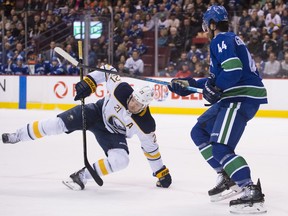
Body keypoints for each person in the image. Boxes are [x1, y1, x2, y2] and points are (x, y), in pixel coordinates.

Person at [2, 64, 172, 190]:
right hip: (95, 113)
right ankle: (18, 135)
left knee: (122, 160)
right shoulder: (121, 90)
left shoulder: (145, 124)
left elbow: (151, 149)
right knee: (58, 124)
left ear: (145, 106)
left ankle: (82, 176)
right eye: (134, 100)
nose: (133, 105)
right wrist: (89, 82)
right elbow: (108, 69)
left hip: (113, 135)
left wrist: (160, 172)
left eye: (138, 105)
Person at [168, 5, 267, 214]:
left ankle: (250, 190)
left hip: (239, 97)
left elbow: (233, 71)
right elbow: (215, 80)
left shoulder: (220, 40)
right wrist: (189, 85)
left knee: (220, 147)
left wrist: (216, 88)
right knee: (199, 131)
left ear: (213, 24)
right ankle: (227, 175)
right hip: (235, 96)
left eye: (207, 26)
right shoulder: (228, 41)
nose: (206, 30)